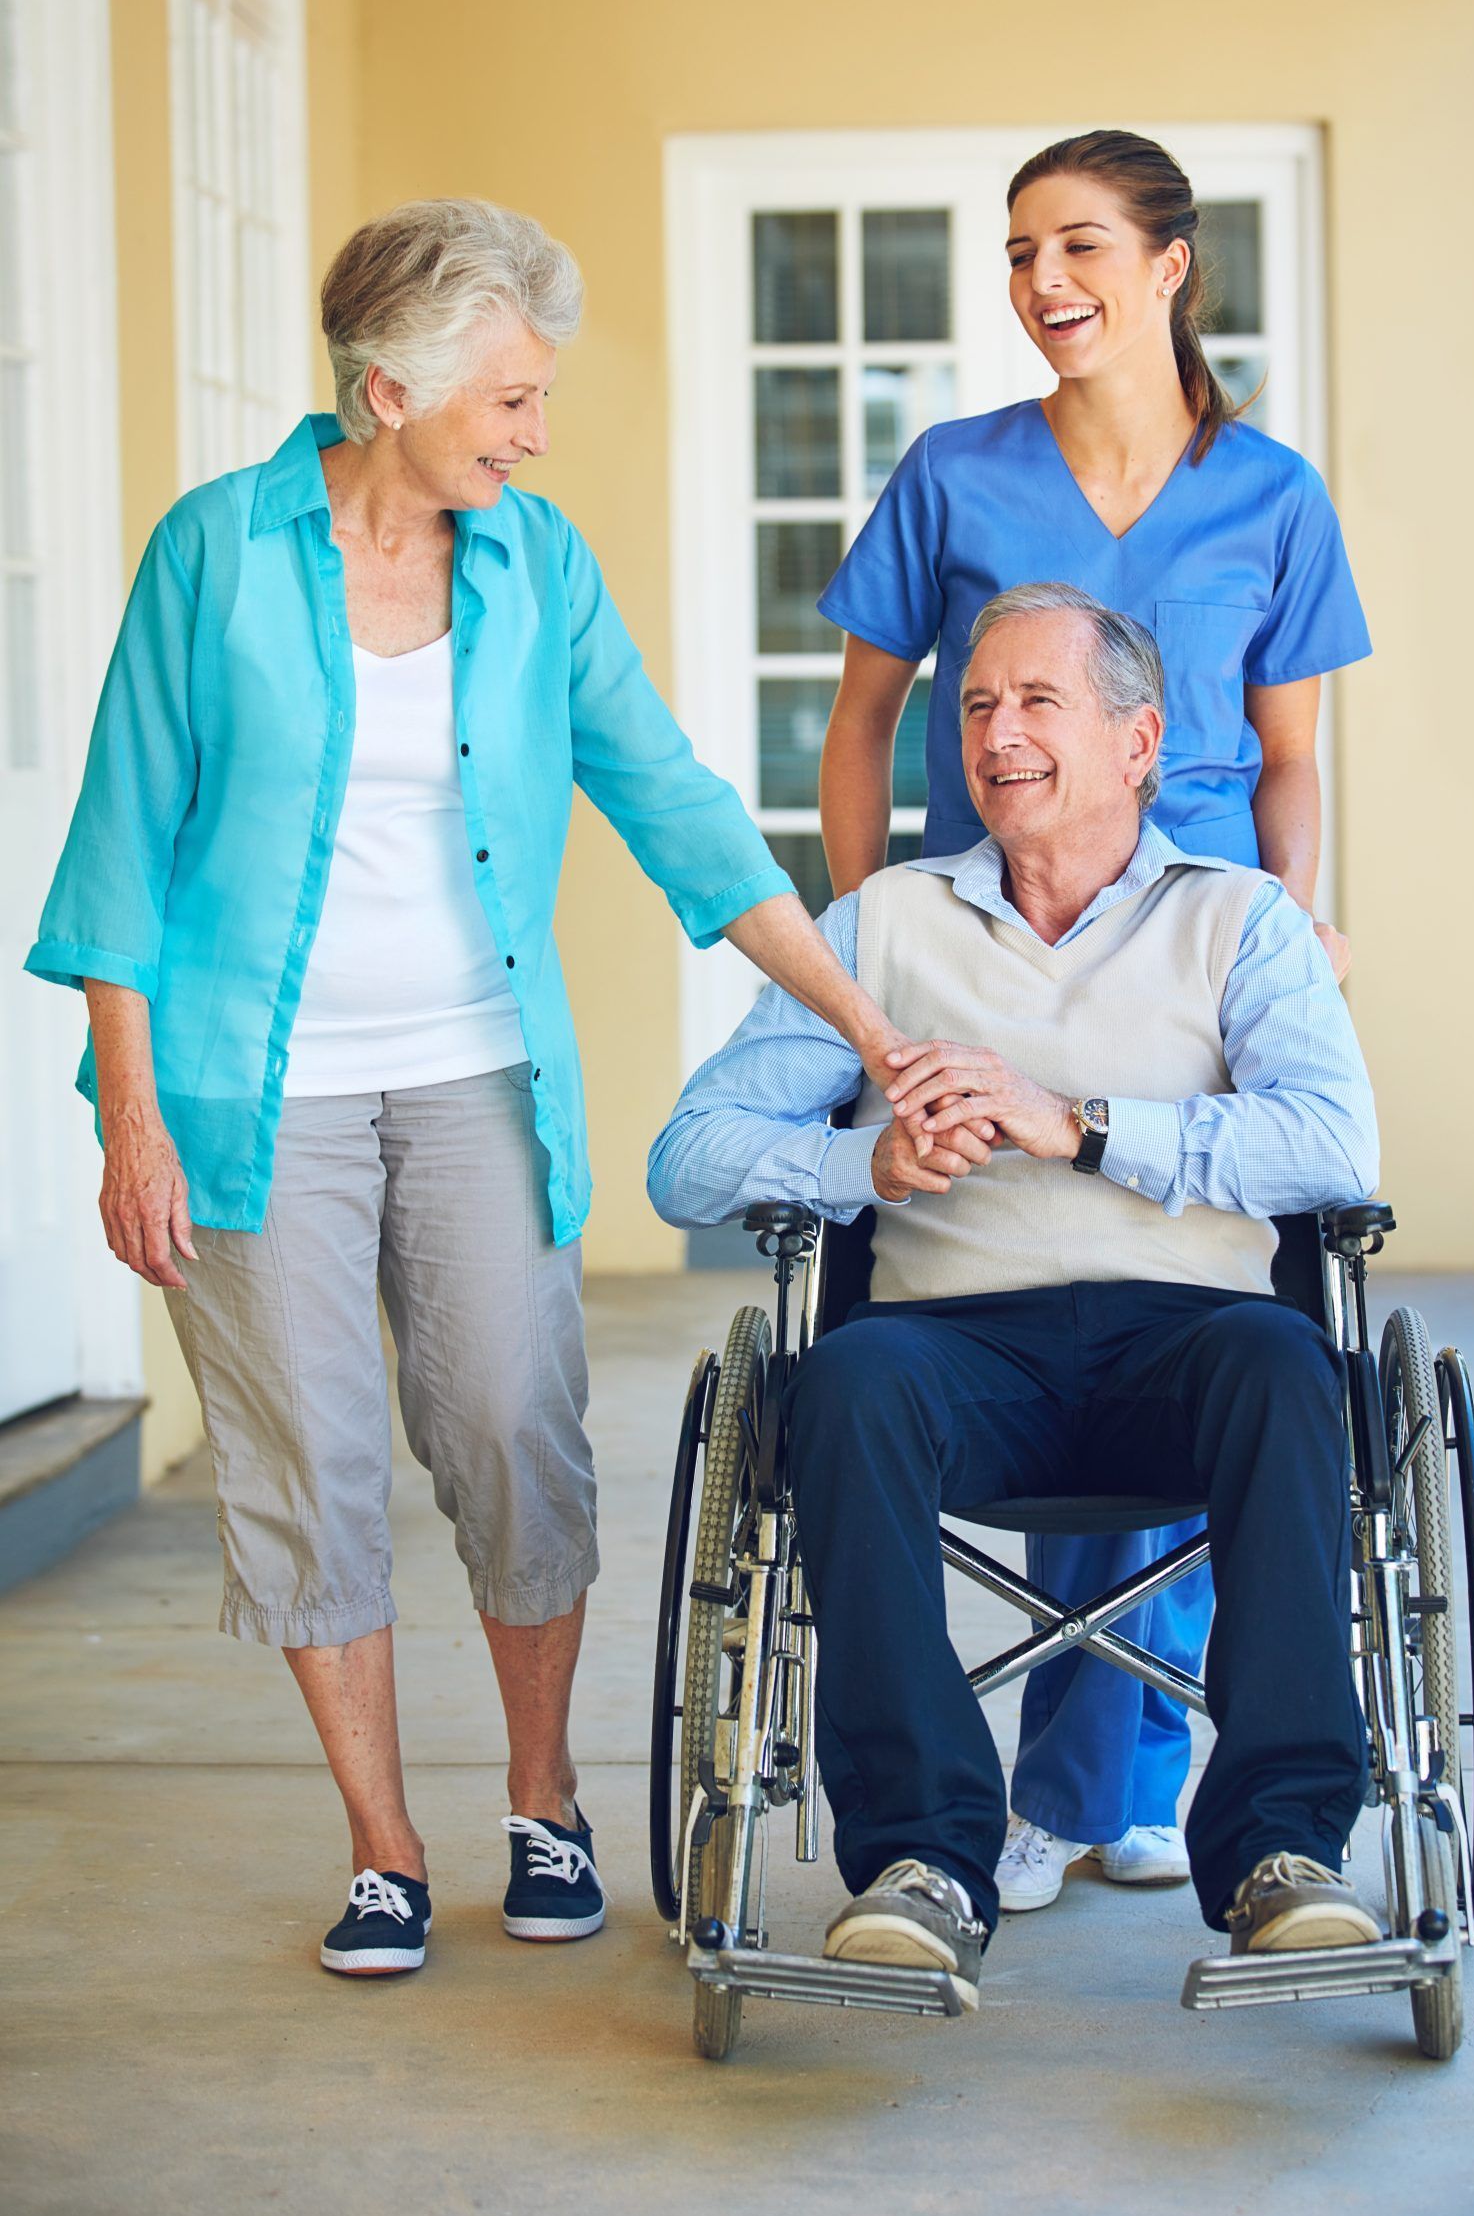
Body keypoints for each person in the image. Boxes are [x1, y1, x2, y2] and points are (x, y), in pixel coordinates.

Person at [26, 198, 921, 1982]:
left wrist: (871, 1025)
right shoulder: (215, 554)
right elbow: (118, 845)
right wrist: (130, 1119)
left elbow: (673, 803)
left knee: (517, 1430)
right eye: (507, 398)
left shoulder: (534, 566)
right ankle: (379, 1846)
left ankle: (544, 1800)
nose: (532, 430)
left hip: (473, 1073)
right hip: (241, 1093)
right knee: (309, 1463)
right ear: (389, 392)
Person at [649, 585, 1380, 2010]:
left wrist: (1085, 1124)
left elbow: (1338, 1145)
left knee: (1293, 1368)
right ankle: (923, 1862)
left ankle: (1281, 1854)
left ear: (1141, 740)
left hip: (1193, 1347)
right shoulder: (882, 924)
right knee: (843, 1384)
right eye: (977, 705)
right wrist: (866, 1155)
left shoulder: (1242, 923)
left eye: (1039, 702)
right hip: (954, 1353)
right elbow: (691, 1160)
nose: (998, 733)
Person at [814, 128, 1371, 1913]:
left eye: (1079, 247)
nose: (1045, 283)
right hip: (995, 925)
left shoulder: (1269, 491)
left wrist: (1294, 931)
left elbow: (1289, 763)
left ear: (1168, 267)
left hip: (1200, 955)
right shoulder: (958, 472)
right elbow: (864, 731)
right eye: (1019, 253)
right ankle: (1068, 1784)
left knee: (1209, 1316)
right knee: (1021, 1284)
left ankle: (1095, 1772)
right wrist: (855, 972)